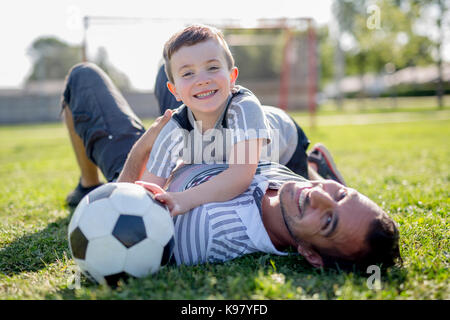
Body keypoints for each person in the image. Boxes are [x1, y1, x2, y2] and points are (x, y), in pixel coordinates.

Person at [61, 61, 400, 271]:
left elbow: (123, 206)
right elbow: (274, 126)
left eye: (327, 220)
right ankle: (311, 166)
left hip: (155, 170)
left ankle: (88, 184)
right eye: (338, 194)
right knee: (179, 67)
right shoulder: (291, 188)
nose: (320, 197)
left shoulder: (210, 230)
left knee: (83, 78)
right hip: (214, 146)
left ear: (310, 254)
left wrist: (145, 145)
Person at [142, 24, 296, 217]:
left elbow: (239, 178)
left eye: (213, 67)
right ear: (175, 91)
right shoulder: (174, 128)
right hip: (229, 155)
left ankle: (316, 164)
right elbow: (148, 188)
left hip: (286, 144)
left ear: (232, 77)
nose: (202, 80)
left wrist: (182, 199)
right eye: (188, 73)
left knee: (294, 200)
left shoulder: (244, 107)